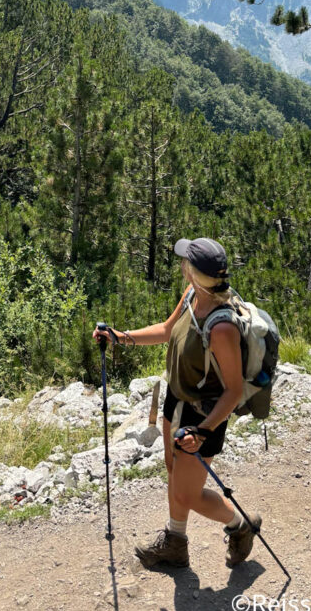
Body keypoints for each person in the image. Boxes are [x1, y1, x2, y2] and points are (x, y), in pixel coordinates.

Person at [93, 236, 261, 569]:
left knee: (188, 493)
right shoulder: (191, 296)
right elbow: (167, 330)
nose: (181, 264)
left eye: (185, 261)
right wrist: (120, 337)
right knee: (174, 473)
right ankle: (176, 542)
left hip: (202, 416)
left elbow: (232, 390)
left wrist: (202, 430)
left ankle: (241, 525)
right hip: (177, 399)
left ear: (194, 272)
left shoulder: (222, 326)